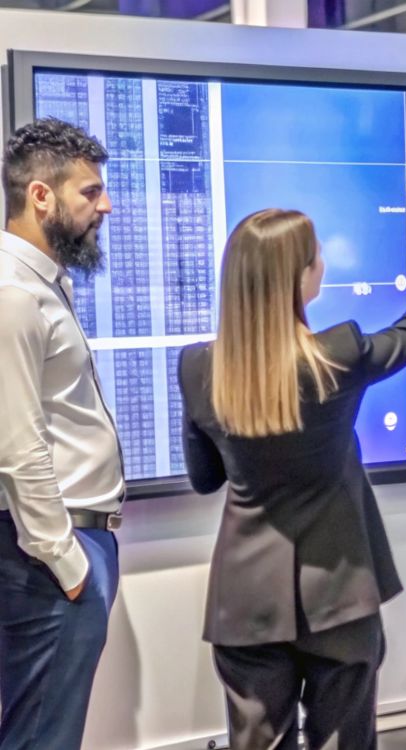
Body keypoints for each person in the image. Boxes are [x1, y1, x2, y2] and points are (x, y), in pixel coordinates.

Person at [179, 203, 406, 750]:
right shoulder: (337, 355)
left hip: (245, 604)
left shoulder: (199, 367)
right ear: (299, 278)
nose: (323, 261)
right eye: (316, 254)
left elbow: (205, 479)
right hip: (340, 592)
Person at [0, 118, 123, 749]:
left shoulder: (43, 282)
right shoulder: (14, 293)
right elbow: (17, 449)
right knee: (42, 736)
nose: (105, 205)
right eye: (90, 191)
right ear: (40, 196)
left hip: (65, 548)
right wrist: (69, 564)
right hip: (49, 556)